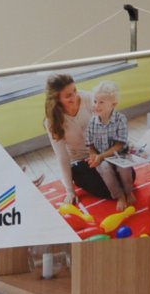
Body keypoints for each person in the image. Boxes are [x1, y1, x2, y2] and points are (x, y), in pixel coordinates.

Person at [44, 73, 115, 207]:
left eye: (74, 91)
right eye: (68, 96)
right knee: (108, 191)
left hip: (101, 152)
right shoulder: (51, 121)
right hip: (80, 162)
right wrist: (70, 191)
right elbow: (62, 157)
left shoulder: (88, 98)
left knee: (129, 177)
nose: (74, 97)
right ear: (57, 98)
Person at [83, 80, 139, 210]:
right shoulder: (92, 122)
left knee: (124, 169)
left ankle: (128, 192)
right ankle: (119, 196)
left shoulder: (120, 119)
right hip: (102, 158)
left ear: (113, 104)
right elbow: (90, 145)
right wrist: (94, 157)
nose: (96, 105)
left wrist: (101, 156)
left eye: (101, 102)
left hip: (120, 154)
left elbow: (120, 144)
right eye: (95, 101)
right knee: (104, 168)